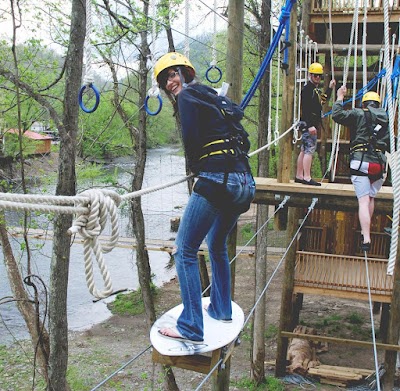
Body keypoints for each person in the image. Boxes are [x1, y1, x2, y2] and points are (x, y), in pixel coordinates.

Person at [153, 52, 255, 344]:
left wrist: (197, 170)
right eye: (165, 81)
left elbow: (192, 141)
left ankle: (191, 327)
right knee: (216, 243)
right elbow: (242, 136)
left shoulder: (187, 98)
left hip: (217, 181)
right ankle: (221, 309)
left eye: (173, 75)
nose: (170, 83)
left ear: (184, 73)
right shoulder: (214, 98)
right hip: (244, 184)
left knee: (183, 250)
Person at [332, 87, 389, 252]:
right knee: (370, 198)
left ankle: (366, 237)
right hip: (379, 165)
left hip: (361, 162)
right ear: (378, 104)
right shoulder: (386, 117)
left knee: (363, 201)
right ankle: (366, 230)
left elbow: (337, 115)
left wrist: (339, 97)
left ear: (364, 103)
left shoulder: (358, 113)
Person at [295, 62, 336, 186]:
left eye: (319, 76)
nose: (318, 78)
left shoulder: (314, 90)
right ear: (310, 75)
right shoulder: (307, 90)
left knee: (304, 149)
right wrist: (309, 125)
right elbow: (305, 108)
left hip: (309, 123)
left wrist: (329, 88)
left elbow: (322, 100)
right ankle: (306, 177)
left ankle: (299, 175)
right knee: (309, 150)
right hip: (309, 123)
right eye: (315, 76)